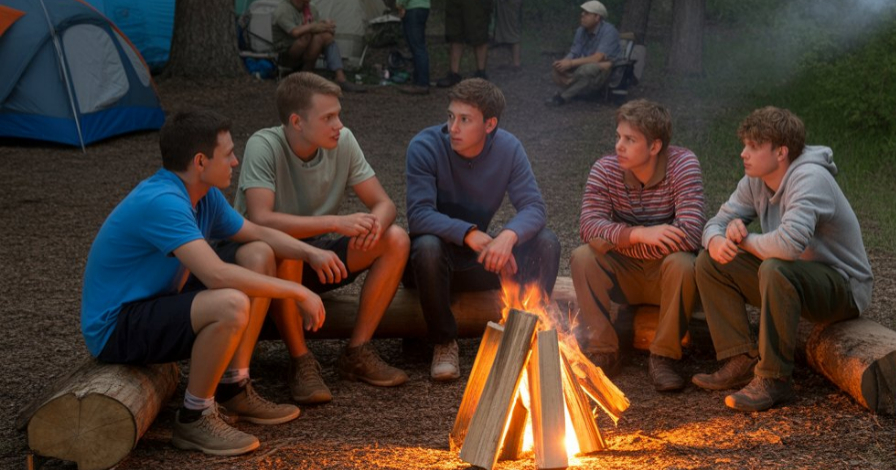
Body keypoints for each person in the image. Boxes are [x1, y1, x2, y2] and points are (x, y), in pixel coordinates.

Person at [80, 109, 330, 456]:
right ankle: (194, 417)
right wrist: (297, 290)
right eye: (227, 154)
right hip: (116, 326)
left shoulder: (203, 194)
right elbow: (216, 275)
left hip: (154, 301)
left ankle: (234, 387)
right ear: (200, 161)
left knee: (257, 253)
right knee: (230, 302)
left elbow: (255, 232)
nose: (235, 160)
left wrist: (310, 254)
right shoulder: (163, 202)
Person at [232, 72, 411, 404]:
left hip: (319, 255)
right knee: (287, 251)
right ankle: (301, 361)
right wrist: (336, 222)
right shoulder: (264, 145)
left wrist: (374, 225)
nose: (339, 124)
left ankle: (357, 352)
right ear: (297, 122)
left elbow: (384, 203)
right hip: (266, 265)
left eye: (338, 115)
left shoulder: (343, 141)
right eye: (329, 117)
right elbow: (261, 218)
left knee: (396, 238)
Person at [692, 107, 873, 413]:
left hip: (841, 287)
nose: (743, 154)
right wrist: (718, 240)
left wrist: (744, 239)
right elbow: (714, 224)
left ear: (781, 152)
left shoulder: (810, 178)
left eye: (753, 146)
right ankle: (741, 358)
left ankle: (774, 380)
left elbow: (789, 246)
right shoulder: (755, 180)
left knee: (776, 268)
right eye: (744, 145)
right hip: (792, 278)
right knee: (710, 262)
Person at [405, 78, 561, 381]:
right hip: (432, 264)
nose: (453, 127)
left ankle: (527, 332)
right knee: (426, 245)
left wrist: (507, 236)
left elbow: (534, 207)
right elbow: (419, 216)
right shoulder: (424, 146)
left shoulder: (508, 148)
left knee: (547, 241)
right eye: (451, 116)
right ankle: (443, 342)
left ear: (490, 124)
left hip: (482, 260)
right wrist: (469, 234)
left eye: (465, 120)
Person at [571, 100, 705, 392]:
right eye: (619, 137)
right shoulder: (605, 169)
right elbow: (588, 226)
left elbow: (691, 233)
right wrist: (639, 234)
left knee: (683, 261)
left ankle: (664, 356)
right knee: (582, 257)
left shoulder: (683, 164)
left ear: (655, 146)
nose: (619, 146)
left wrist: (614, 241)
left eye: (630, 140)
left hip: (667, 277)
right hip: (626, 275)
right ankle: (604, 349)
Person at [272, 0, 366, 93]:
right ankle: (298, 73)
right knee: (306, 35)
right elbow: (295, 32)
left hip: (306, 52)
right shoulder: (283, 10)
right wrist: (315, 26)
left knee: (325, 36)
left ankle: (340, 78)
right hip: (287, 54)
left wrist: (326, 26)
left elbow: (316, 30)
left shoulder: (311, 8)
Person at [547, 0, 622, 106]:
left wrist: (571, 63)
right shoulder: (581, 31)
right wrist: (563, 62)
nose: (582, 15)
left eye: (587, 13)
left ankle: (563, 96)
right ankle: (571, 82)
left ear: (597, 17)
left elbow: (598, 58)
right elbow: (574, 52)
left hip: (607, 71)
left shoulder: (609, 31)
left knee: (586, 70)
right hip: (587, 66)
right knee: (558, 67)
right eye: (583, 12)